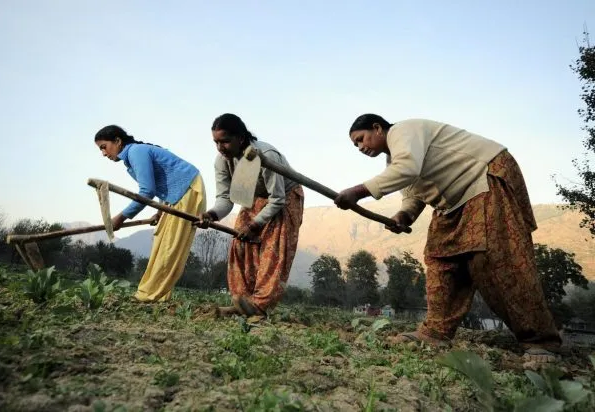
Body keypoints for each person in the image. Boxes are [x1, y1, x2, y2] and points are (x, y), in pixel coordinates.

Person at [334, 114, 562, 364]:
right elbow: (412, 193)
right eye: (355, 145)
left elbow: (407, 169)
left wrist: (356, 192)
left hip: (483, 177)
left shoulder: (404, 131)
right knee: (440, 259)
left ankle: (542, 342)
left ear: (377, 128)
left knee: (497, 260)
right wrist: (403, 216)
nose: (360, 147)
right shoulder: (395, 161)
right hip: (452, 202)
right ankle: (436, 332)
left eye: (361, 139)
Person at [200, 113, 304, 318]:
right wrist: (212, 215)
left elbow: (277, 199)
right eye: (216, 142)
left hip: (284, 198)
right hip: (255, 198)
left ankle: (260, 306)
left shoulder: (266, 155)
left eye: (225, 141)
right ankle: (244, 302)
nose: (220, 147)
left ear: (240, 138)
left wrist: (256, 224)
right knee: (240, 243)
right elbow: (225, 198)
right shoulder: (222, 161)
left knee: (273, 251)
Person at [94, 125, 206, 302]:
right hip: (176, 194)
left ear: (117, 141)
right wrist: (160, 212)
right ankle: (154, 294)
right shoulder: (133, 156)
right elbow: (164, 184)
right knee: (162, 240)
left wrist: (122, 217)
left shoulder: (136, 152)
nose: (103, 153)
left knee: (170, 245)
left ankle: (148, 296)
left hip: (187, 189)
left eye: (103, 147)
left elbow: (147, 191)